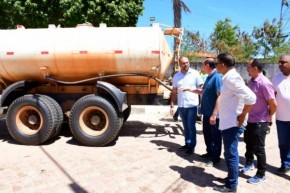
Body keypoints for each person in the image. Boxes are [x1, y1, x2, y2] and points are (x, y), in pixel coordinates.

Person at [213, 53, 256, 193]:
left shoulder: (232, 78)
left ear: (222, 65)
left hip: (232, 123)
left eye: (217, 63)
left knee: (231, 154)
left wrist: (242, 115)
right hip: (228, 122)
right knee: (230, 154)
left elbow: (251, 98)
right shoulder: (228, 78)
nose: (216, 65)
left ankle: (231, 186)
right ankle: (231, 178)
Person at [240, 59, 276, 184]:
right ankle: (249, 163)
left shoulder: (265, 83)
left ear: (255, 68)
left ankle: (261, 174)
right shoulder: (250, 81)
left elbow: (273, 104)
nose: (246, 69)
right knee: (248, 143)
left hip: (260, 121)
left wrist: (268, 116)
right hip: (250, 119)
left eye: (248, 67)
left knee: (259, 149)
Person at [170, 56, 203, 155]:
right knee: (185, 126)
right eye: (183, 63)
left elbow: (201, 89)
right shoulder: (176, 76)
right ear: (179, 65)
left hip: (192, 105)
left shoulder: (195, 74)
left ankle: (192, 146)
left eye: (187, 62)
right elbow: (174, 92)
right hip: (181, 105)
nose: (186, 64)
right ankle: (187, 143)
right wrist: (172, 105)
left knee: (191, 126)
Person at [193, 58, 223, 167]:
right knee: (207, 135)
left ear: (207, 65)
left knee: (215, 137)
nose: (202, 67)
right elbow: (204, 91)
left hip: (213, 115)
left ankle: (215, 158)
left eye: (203, 64)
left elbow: (220, 96)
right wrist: (191, 90)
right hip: (206, 113)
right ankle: (209, 152)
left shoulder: (217, 77)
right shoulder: (209, 77)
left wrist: (214, 114)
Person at [272, 54, 290, 175]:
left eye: (283, 62)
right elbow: (271, 97)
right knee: (283, 143)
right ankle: (286, 164)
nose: (280, 64)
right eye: (279, 62)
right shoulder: (275, 79)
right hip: (281, 118)